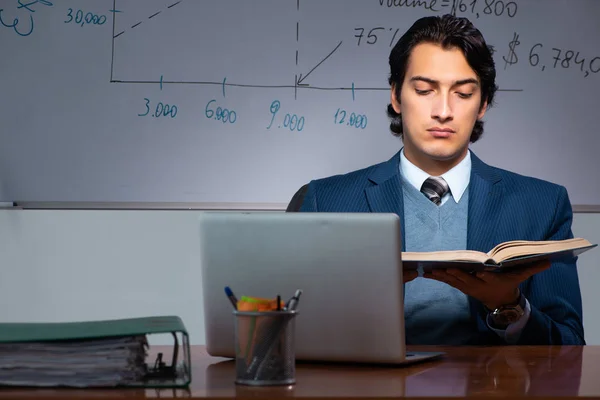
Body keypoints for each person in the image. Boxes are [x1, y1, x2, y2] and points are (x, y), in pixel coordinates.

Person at [286, 14, 584, 345]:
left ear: (483, 103)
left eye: (463, 93)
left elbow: (570, 347)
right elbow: (288, 339)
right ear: (397, 97)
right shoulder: (324, 201)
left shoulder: (543, 205)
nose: (443, 110)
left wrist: (508, 305)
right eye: (425, 90)